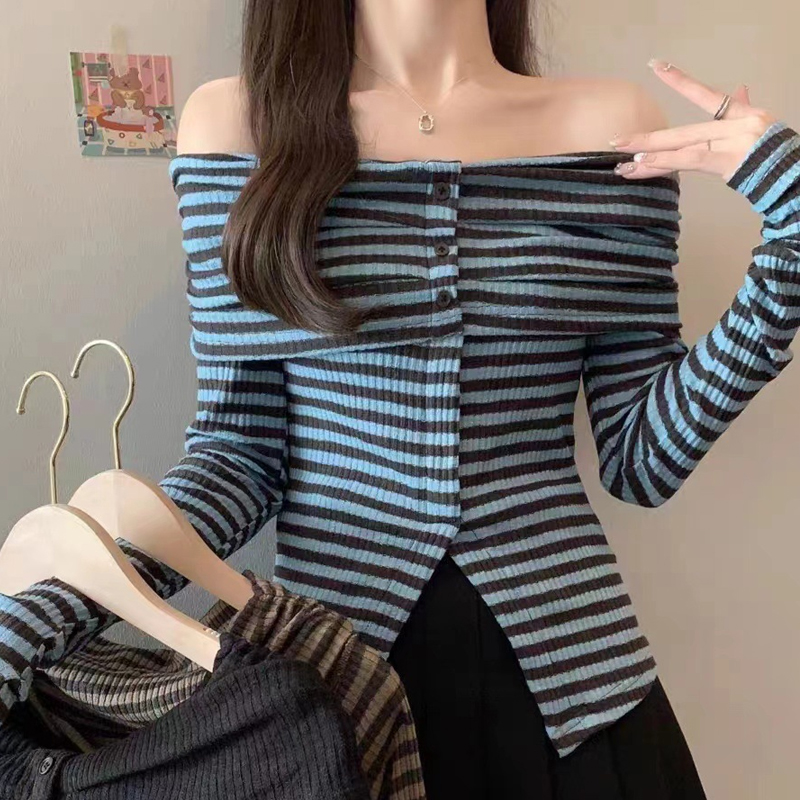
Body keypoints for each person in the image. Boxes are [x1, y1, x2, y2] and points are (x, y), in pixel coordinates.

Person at [2, 2, 798, 799]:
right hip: (341, 694)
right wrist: (57, 604)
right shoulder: (237, 128)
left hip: (579, 689)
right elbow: (238, 456)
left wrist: (791, 246)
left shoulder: (607, 124)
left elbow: (641, 460)